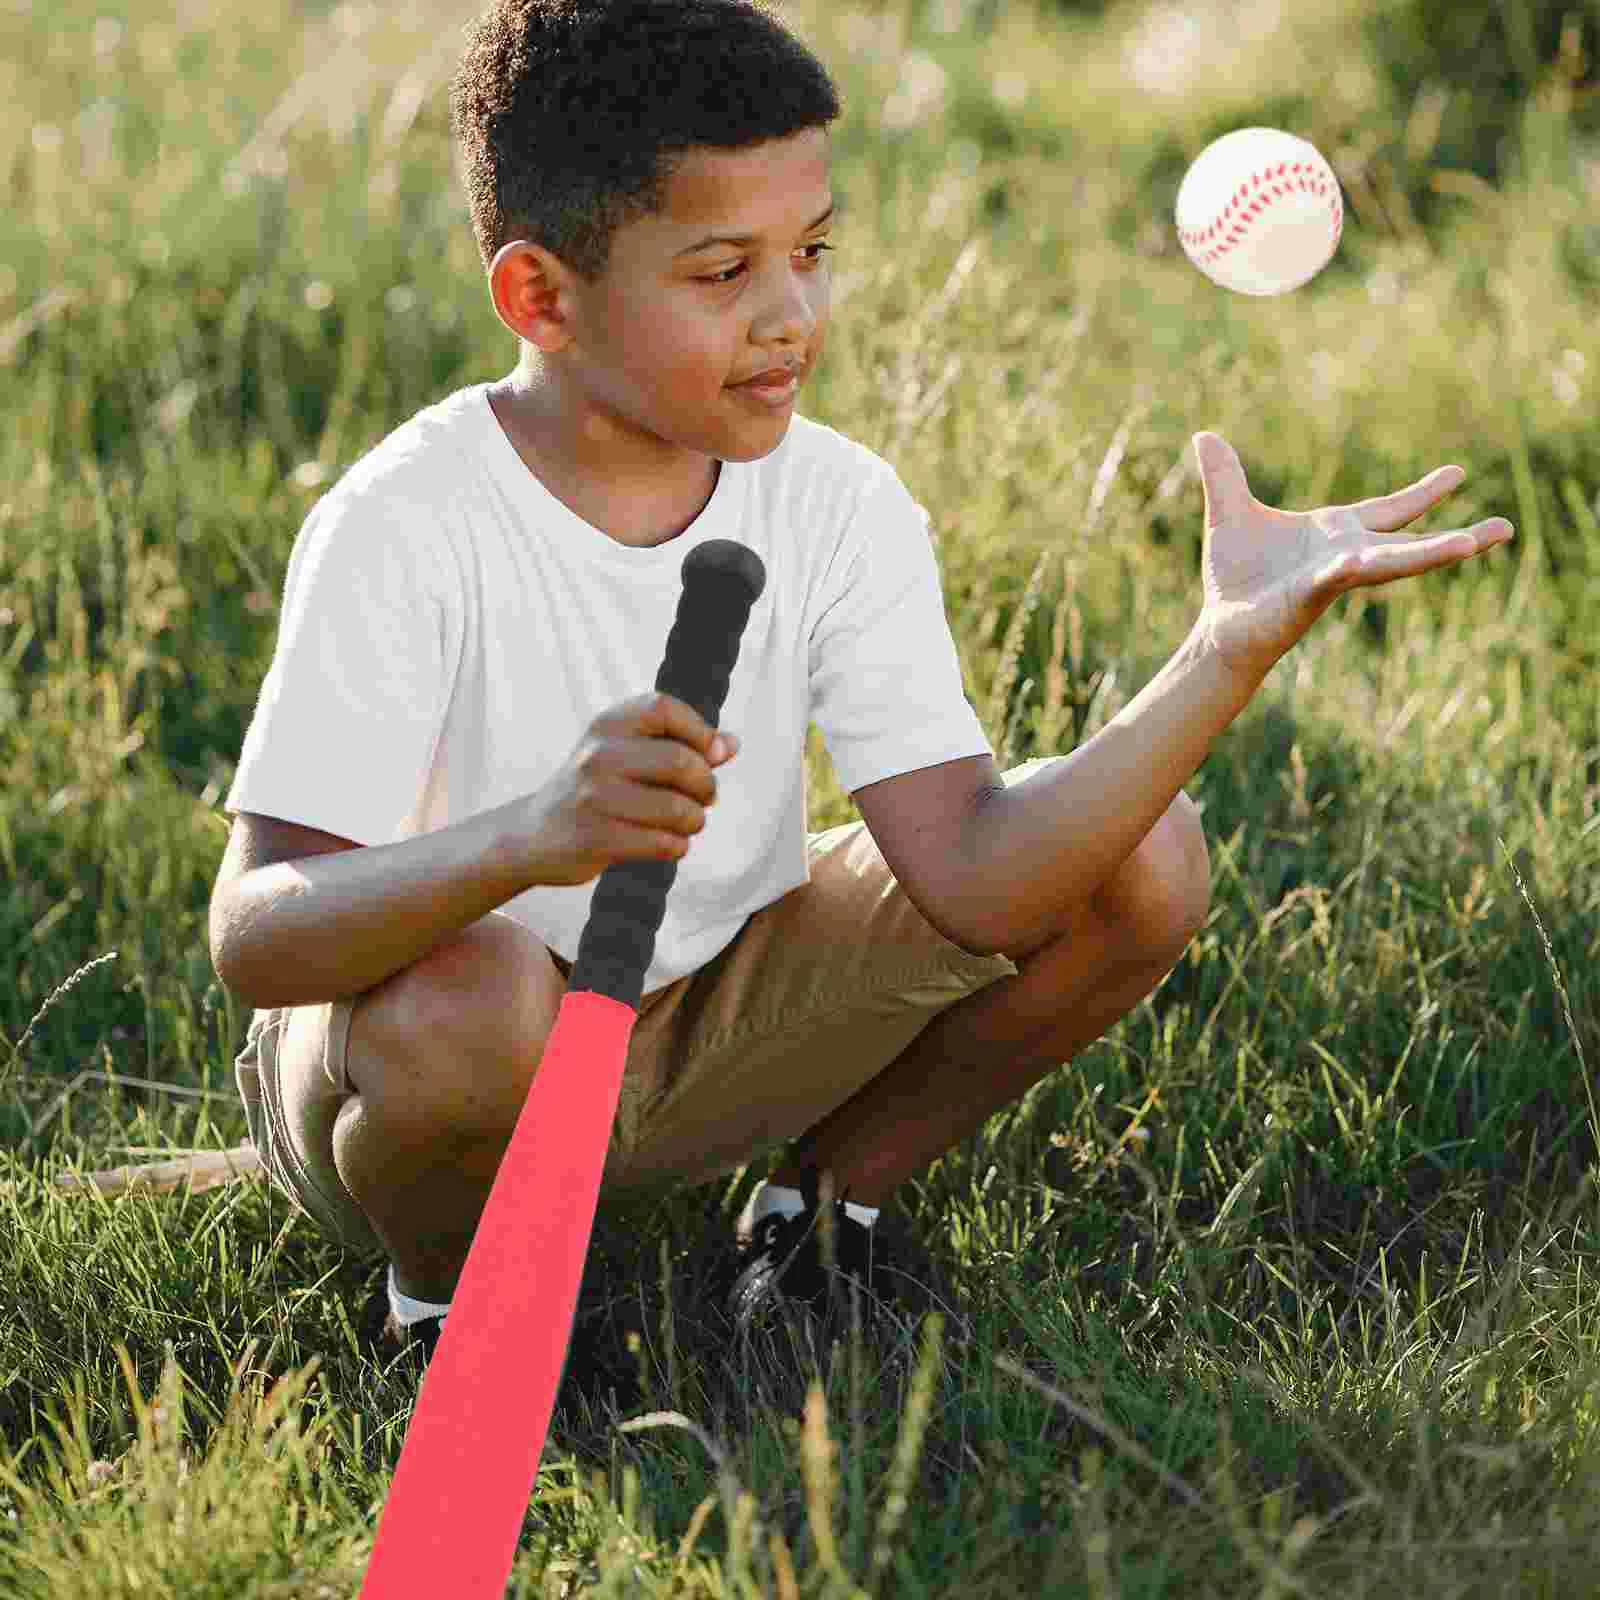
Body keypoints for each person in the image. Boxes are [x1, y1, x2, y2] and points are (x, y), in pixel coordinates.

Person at [208, 0, 1514, 1366]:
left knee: (1146, 858)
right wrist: (526, 840)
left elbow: (974, 877)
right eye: (722, 273)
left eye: (814, 252)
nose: (793, 315)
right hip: (438, 1075)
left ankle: (820, 1217)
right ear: (542, 297)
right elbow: (258, 933)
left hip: (710, 1021)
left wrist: (1223, 648)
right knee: (476, 994)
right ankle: (445, 1302)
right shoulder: (408, 517)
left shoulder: (835, 504)